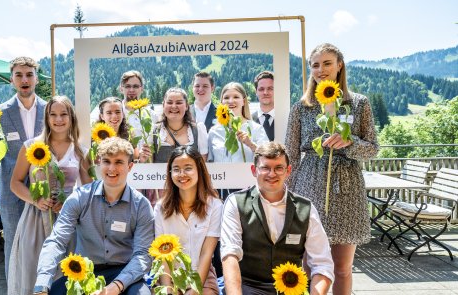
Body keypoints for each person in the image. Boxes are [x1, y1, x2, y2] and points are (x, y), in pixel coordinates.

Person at [285, 43, 379, 294]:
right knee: (307, 264)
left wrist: (350, 142)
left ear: (339, 66)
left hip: (347, 186)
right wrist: (285, 198)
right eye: (315, 65)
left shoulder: (358, 104)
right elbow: (290, 155)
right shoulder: (302, 107)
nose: (321, 70)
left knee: (342, 268)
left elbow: (373, 149)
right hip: (309, 185)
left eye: (327, 63)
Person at [34, 137, 154, 295]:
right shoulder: (80, 198)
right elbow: (56, 241)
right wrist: (42, 283)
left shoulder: (141, 206)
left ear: (130, 166)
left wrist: (117, 285)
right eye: (106, 161)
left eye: (118, 162)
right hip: (84, 273)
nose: (111, 168)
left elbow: (142, 255)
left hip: (125, 273)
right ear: (99, 164)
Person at [221, 142, 334, 295]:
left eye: (278, 168)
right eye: (265, 168)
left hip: (292, 289)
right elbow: (230, 255)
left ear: (288, 171)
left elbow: (322, 264)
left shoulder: (306, 208)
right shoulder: (235, 202)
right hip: (248, 287)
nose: (272, 174)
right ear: (254, 170)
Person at [7, 96, 92, 294]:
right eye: (53, 114)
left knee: (66, 273)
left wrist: (71, 202)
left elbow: (89, 190)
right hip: (35, 220)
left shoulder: (81, 151)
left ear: (71, 118)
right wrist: (35, 200)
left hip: (68, 222)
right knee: (33, 269)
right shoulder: (31, 147)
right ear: (46, 118)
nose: (58, 119)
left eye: (63, 114)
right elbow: (15, 183)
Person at [0, 56, 47, 277]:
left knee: (46, 242)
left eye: (29, 74)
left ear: (36, 79)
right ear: (12, 80)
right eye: (19, 75)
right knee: (13, 244)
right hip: (12, 193)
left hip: (45, 189)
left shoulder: (50, 111)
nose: (24, 79)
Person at [154, 146, 222, 295]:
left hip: (201, 276)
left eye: (188, 168)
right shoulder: (161, 208)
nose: (182, 174)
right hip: (169, 275)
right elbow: (162, 257)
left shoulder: (215, 206)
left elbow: (206, 254)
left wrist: (194, 291)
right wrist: (168, 290)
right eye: (176, 169)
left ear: (199, 170)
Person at [208, 82, 269, 163]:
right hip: (221, 175)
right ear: (222, 102)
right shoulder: (214, 131)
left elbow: (269, 158)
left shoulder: (256, 129)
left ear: (243, 101)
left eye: (236, 97)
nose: (230, 101)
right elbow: (209, 163)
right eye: (226, 98)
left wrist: (251, 144)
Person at [152, 87, 208, 163]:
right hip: (159, 175)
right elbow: (149, 163)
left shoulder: (198, 130)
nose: (174, 106)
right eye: (169, 102)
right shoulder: (153, 131)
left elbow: (203, 164)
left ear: (186, 106)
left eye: (179, 103)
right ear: (163, 105)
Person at [251, 71, 275, 141]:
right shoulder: (249, 120)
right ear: (256, 92)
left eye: (270, 88)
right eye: (261, 89)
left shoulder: (286, 118)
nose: (265, 92)